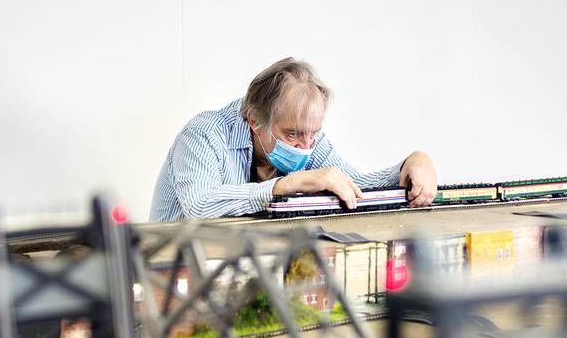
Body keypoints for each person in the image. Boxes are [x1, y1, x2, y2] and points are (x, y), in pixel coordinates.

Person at [149, 57, 437, 222]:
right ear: (254, 119)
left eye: (313, 133)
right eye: (293, 134)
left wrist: (411, 165)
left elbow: (356, 189)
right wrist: (284, 186)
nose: (306, 146)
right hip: (171, 282)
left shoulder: (310, 141)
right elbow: (200, 206)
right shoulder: (203, 135)